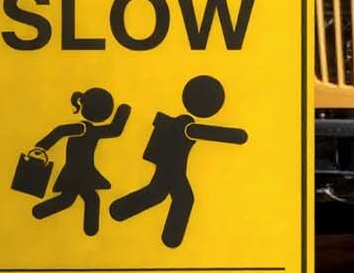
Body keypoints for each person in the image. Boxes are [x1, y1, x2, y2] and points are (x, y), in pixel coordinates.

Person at [110, 75, 247, 248]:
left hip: (169, 168)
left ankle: (119, 210)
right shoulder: (186, 126)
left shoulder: (181, 124)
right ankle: (163, 236)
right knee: (180, 197)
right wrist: (238, 136)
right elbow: (210, 132)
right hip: (173, 171)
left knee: (158, 193)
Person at [30, 88, 131, 237]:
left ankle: (40, 212)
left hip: (81, 172)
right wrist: (41, 146)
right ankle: (40, 212)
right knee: (83, 199)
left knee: (75, 199)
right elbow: (60, 131)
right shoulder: (82, 128)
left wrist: (123, 111)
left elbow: (114, 130)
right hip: (77, 172)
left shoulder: (90, 130)